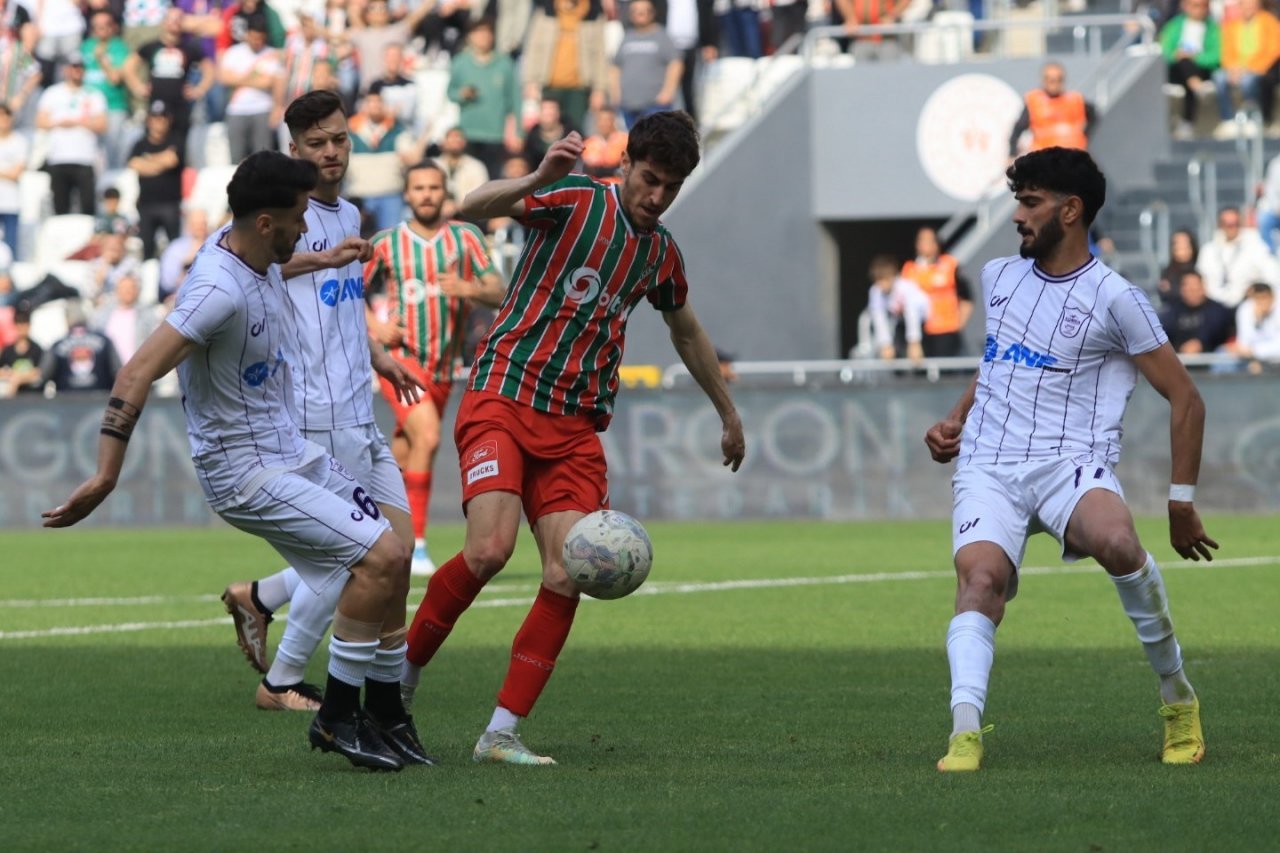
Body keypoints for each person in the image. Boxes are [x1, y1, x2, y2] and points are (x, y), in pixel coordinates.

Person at [43, 150, 422, 772]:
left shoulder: (254, 246)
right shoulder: (216, 289)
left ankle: (383, 712)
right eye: (299, 218)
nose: (307, 227)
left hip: (289, 449)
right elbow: (138, 369)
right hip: (245, 471)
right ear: (267, 222)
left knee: (395, 556)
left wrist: (321, 260)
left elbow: (276, 267)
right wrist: (106, 474)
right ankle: (335, 720)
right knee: (378, 559)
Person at [401, 111, 745, 765]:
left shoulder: (660, 253)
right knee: (489, 551)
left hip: (576, 424)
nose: (656, 196)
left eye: (670, 187)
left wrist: (727, 412)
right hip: (503, 393)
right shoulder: (573, 198)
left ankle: (500, 732)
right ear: (625, 165)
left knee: (568, 571)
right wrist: (537, 175)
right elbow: (469, 208)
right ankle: (399, 679)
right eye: (649, 179)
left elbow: (687, 331)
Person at [924, 147, 1216, 773]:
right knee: (979, 582)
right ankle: (965, 731)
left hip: (1069, 462)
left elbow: (1185, 397)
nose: (1017, 216)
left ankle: (1177, 697)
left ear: (1071, 209)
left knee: (1115, 542)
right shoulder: (1001, 277)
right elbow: (998, 361)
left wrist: (1181, 500)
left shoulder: (1116, 298)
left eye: (1029, 203)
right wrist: (956, 417)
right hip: (990, 463)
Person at [216, 94, 429, 749]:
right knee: (361, 555)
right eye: (317, 144)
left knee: (392, 547)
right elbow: (268, 267)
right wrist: (327, 258)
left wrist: (378, 354)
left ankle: (262, 598)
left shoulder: (352, 213)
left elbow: (343, 304)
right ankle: (288, 679)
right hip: (309, 412)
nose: (331, 151)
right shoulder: (285, 219)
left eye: (339, 139)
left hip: (357, 409)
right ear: (296, 150)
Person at [365, 159, 506, 578]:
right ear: (406, 195)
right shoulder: (387, 243)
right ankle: (418, 545)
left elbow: (499, 289)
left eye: (433, 187)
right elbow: (346, 292)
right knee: (426, 436)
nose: (426, 194)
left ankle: (375, 531)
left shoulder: (466, 237)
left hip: (444, 368)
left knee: (405, 451)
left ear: (444, 192)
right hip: (401, 362)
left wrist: (469, 288)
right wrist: (376, 327)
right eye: (418, 188)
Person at [447, 17, 522, 178]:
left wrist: (518, 132)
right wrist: (462, 93)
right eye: (479, 32)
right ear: (470, 36)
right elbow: (450, 93)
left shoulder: (504, 63)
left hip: (496, 134)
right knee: (469, 179)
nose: (484, 37)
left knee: (493, 180)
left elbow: (515, 98)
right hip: (468, 133)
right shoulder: (461, 62)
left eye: (487, 33)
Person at [36, 57, 108, 216]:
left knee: (87, 205)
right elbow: (40, 122)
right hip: (58, 157)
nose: (77, 71)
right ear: (65, 70)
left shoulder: (93, 94)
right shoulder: (53, 93)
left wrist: (78, 123)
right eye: (74, 67)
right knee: (60, 205)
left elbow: (102, 125)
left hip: (85, 158)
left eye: (80, 67)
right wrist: (61, 122)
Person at [1210, 0, 1280, 139]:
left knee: (1248, 82)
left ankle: (1252, 119)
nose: (1249, 8)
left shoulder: (1269, 22)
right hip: (1235, 68)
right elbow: (1226, 51)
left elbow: (1274, 50)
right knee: (1219, 77)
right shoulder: (1232, 25)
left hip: (1257, 67)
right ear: (1240, 6)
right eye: (1245, 5)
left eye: (1252, 5)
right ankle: (1228, 120)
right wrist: (1232, 68)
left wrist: (1251, 67)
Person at [901, 226, 973, 357]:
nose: (925, 244)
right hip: (920, 332)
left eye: (929, 240)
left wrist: (958, 325)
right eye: (922, 240)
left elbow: (966, 298)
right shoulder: (909, 269)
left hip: (946, 330)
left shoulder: (950, 265)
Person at [219, 15, 282, 163]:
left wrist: (239, 79)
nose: (257, 42)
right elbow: (225, 78)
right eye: (254, 37)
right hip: (236, 110)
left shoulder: (271, 54)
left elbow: (272, 82)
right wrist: (257, 80)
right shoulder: (233, 53)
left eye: (260, 38)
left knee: (263, 159)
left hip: (263, 109)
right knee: (236, 157)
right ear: (247, 34)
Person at [610, 0, 682, 129]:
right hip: (628, 105)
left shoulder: (662, 35)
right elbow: (616, 66)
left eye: (644, 11)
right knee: (633, 144)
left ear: (652, 13)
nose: (640, 14)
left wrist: (668, 92)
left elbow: (676, 63)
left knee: (655, 143)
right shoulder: (627, 36)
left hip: (655, 105)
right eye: (636, 11)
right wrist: (616, 94)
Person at [129, 102, 185, 260]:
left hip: (170, 204)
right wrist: (161, 162)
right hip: (146, 205)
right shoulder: (140, 144)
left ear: (168, 120)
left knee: (175, 249)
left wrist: (147, 160)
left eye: (162, 118)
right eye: (155, 118)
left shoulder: (176, 140)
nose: (158, 122)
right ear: (149, 120)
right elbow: (134, 165)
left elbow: (172, 160)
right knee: (147, 251)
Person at [1159, 0, 1221, 140]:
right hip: (1176, 69)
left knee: (1188, 71)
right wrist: (1178, 55)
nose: (1199, 10)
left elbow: (1216, 56)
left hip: (1202, 70)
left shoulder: (1213, 28)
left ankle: (1187, 122)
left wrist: (1195, 57)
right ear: (1185, 6)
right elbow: (1165, 51)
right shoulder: (1174, 25)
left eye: (1203, 6)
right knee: (1185, 66)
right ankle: (1196, 87)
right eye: (1195, 5)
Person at [1195, 205, 1279, 307]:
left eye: (1235, 224)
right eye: (1227, 224)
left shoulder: (1256, 247)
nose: (1231, 228)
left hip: (1245, 304)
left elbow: (1272, 276)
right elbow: (1199, 279)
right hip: (1212, 307)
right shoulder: (1208, 250)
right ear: (1220, 225)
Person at [1008, 62, 1097, 158]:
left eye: (1058, 79)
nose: (1054, 83)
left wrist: (1086, 136)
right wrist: (1012, 152)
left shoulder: (1076, 100)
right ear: (1044, 80)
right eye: (1050, 79)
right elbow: (1018, 128)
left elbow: (1094, 117)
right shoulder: (1034, 102)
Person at [40, 305, 122, 393]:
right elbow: (119, 373)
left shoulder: (57, 344)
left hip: (66, 401)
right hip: (101, 399)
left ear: (67, 319)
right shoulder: (105, 340)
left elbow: (43, 376)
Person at [866, 254, 927, 362]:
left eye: (885, 280)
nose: (882, 285)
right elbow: (878, 317)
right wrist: (885, 344)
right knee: (897, 354)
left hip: (923, 322)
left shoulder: (905, 288)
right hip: (901, 323)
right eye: (878, 281)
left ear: (893, 277)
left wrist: (914, 343)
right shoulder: (875, 291)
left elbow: (912, 314)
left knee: (917, 356)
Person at [1159, 269, 1235, 354]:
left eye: (1195, 287)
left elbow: (1218, 331)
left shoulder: (1218, 311)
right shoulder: (1172, 312)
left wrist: (1200, 343)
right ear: (1181, 289)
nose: (1192, 291)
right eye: (1188, 287)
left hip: (1213, 359)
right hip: (1180, 358)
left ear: (1203, 287)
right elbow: (1165, 335)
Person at [1225, 282, 1280, 371]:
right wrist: (1257, 319)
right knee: (1223, 356)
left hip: (1275, 361)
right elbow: (1243, 343)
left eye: (1264, 298)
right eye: (1257, 299)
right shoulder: (1246, 309)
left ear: (1272, 296)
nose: (1262, 302)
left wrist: (1255, 351)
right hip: (1254, 360)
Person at [0, 103, 27, 261]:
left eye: (6, 115)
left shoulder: (19, 141)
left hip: (11, 202)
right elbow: (12, 171)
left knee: (10, 249)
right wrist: (6, 171)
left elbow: (17, 173)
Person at [0, 306, 43, 396]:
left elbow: (38, 373)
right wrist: (10, 374)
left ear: (29, 325)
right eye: (18, 323)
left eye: (24, 324)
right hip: (12, 396)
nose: (21, 328)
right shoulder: (8, 350)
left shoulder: (37, 349)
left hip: (32, 395)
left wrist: (18, 379)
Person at [1157, 228, 1199, 307]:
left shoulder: (1201, 268)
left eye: (1185, 243)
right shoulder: (1167, 273)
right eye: (1177, 243)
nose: (1181, 247)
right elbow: (1164, 295)